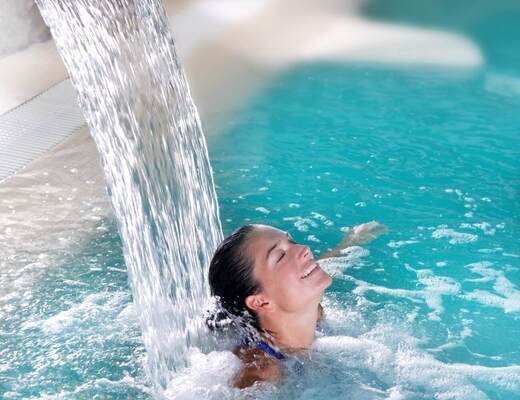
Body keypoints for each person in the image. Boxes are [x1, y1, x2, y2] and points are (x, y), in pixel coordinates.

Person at [208, 221, 387, 389]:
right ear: (261, 301)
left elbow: (311, 269)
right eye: (280, 256)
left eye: (292, 241)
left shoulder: (313, 311)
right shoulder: (261, 371)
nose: (304, 249)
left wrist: (350, 242)